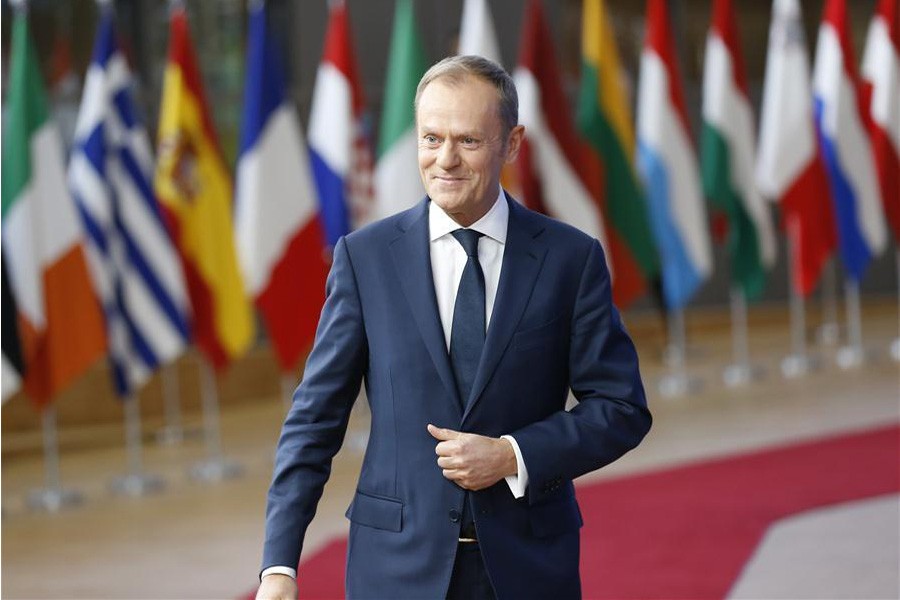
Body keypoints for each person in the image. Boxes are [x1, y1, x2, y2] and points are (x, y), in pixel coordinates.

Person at [256, 55, 651, 600]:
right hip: (394, 571)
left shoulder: (570, 259)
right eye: (430, 138)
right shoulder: (365, 259)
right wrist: (279, 564)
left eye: (467, 141)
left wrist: (513, 454)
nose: (445, 160)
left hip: (527, 568)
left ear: (511, 143)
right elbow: (314, 418)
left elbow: (621, 407)